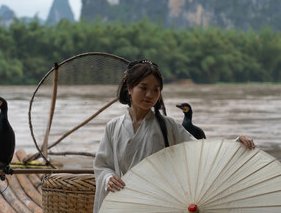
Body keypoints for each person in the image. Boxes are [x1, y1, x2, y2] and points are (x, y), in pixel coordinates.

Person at [93, 60, 255, 212]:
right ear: (129, 88)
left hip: (158, 202)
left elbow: (200, 152)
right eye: (143, 88)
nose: (149, 94)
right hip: (125, 202)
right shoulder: (113, 127)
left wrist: (234, 144)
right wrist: (108, 177)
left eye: (156, 89)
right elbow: (102, 164)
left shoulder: (167, 126)